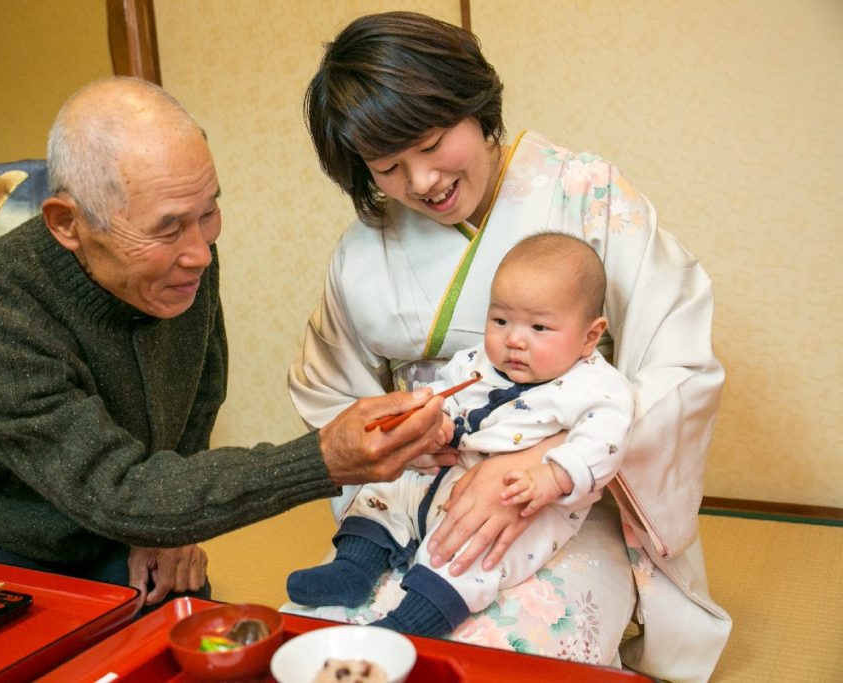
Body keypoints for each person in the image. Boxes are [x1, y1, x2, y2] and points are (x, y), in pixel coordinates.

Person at [288, 11, 730, 681]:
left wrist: (549, 458)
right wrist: (396, 435)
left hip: (567, 497)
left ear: (474, 106)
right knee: (332, 642)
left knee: (496, 649)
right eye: (389, 166)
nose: (424, 181)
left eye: (434, 142)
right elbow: (331, 391)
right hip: (425, 486)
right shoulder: (362, 249)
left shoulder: (590, 196)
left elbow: (682, 370)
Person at [0, 76, 454, 610]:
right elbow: (113, 491)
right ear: (67, 223)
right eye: (168, 229)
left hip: (127, 521)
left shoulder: (183, 263)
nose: (200, 254)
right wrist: (324, 457)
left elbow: (198, 399)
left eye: (208, 212)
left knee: (200, 641)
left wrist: (171, 529)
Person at [287, 233, 634, 638]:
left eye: (539, 327)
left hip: (519, 498)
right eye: (500, 320)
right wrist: (435, 424)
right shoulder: (475, 361)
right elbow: (443, 394)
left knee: (475, 550)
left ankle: (413, 622)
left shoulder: (597, 387)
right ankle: (352, 567)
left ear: (590, 335)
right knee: (386, 489)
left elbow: (606, 440)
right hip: (448, 471)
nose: (514, 340)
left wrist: (551, 477)